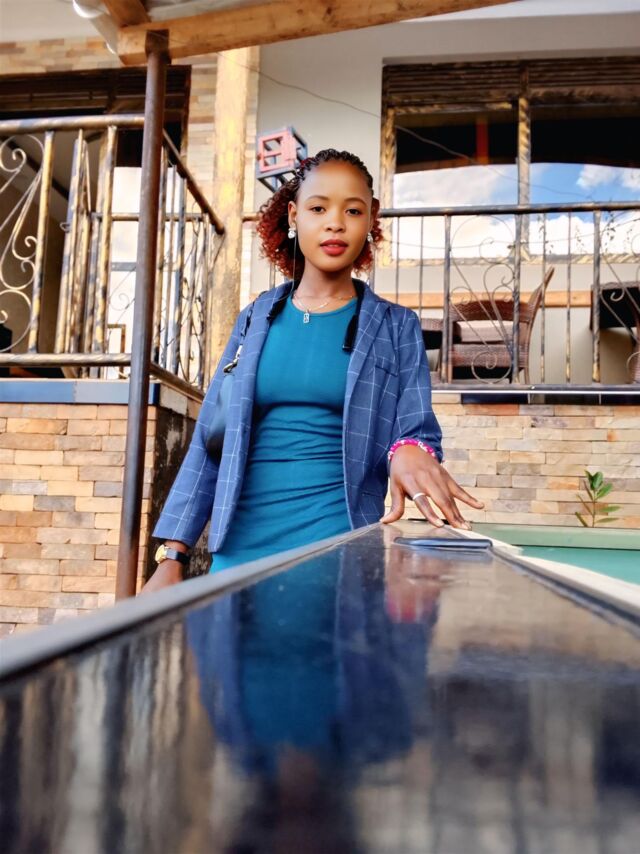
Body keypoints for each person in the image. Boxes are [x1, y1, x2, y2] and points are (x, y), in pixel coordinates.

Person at [145, 149, 483, 591]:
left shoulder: (397, 326)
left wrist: (410, 449)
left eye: (353, 211)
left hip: (339, 551)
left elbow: (415, 428)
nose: (335, 223)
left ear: (371, 220)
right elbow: (212, 439)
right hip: (239, 551)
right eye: (319, 208)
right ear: (293, 215)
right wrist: (172, 554)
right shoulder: (255, 318)